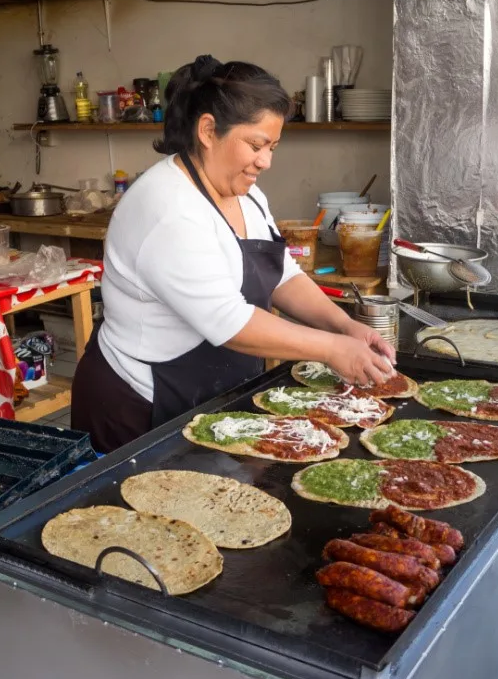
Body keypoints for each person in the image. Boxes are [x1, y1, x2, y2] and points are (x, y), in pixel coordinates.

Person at [71, 55, 395, 454]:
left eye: (273, 147)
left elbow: (281, 273)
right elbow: (229, 322)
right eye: (256, 145)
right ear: (208, 130)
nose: (266, 161)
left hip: (212, 396)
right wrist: (330, 348)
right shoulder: (168, 209)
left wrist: (343, 326)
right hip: (140, 408)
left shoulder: (246, 194)